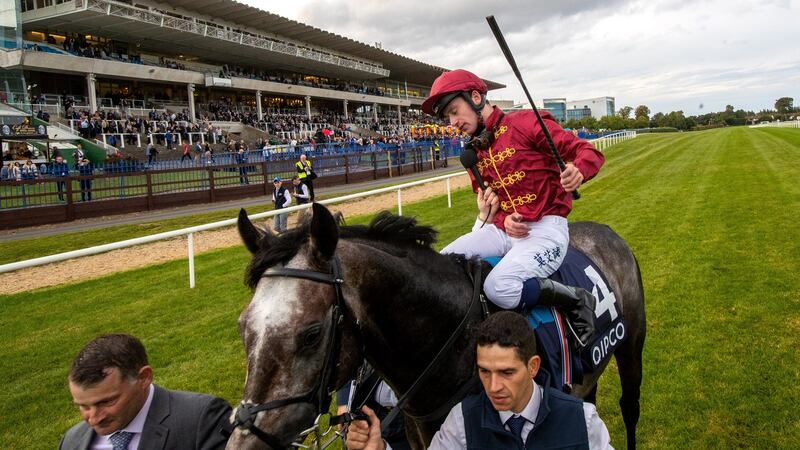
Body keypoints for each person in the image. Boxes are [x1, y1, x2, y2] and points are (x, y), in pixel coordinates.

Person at [423, 69, 605, 347]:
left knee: (498, 287)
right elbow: (496, 207)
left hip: (546, 231)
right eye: (448, 116)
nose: (453, 123)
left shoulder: (526, 123)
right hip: (503, 233)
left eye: (454, 111)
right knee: (438, 265)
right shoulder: (473, 153)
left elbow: (588, 151)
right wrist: (503, 219)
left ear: (475, 97)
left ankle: (576, 299)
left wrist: (578, 170)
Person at [345, 312, 612, 450]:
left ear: (533, 367)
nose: (493, 387)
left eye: (506, 373)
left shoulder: (583, 420)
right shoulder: (462, 421)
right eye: (485, 372)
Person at [59, 333, 231, 450]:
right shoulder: (72, 440)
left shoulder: (202, 419)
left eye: (106, 402)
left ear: (144, 378)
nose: (94, 418)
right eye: (83, 406)